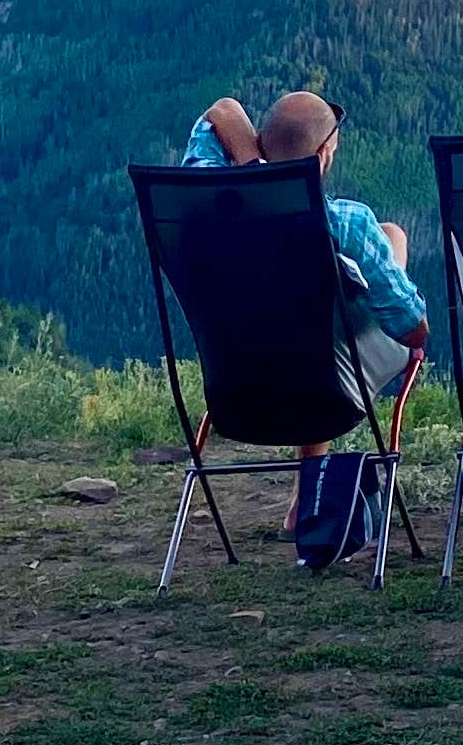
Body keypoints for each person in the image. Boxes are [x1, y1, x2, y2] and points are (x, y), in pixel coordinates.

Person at [181, 87, 428, 519]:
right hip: (324, 391)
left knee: (367, 255)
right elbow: (412, 329)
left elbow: (221, 110)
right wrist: (388, 274)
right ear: (321, 158)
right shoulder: (347, 222)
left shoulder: (205, 193)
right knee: (388, 246)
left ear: (261, 144)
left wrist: (255, 170)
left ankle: (303, 501)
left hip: (236, 388)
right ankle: (307, 496)